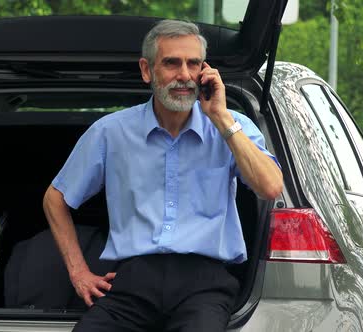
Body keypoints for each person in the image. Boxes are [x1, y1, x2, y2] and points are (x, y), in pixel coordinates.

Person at [42, 19, 283, 332]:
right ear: (146, 70)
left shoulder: (231, 125)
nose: (184, 75)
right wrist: (79, 273)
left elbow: (270, 187)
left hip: (205, 287)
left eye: (193, 63)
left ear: (204, 71)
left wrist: (222, 118)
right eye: (171, 63)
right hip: (132, 285)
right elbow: (55, 199)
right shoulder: (110, 132)